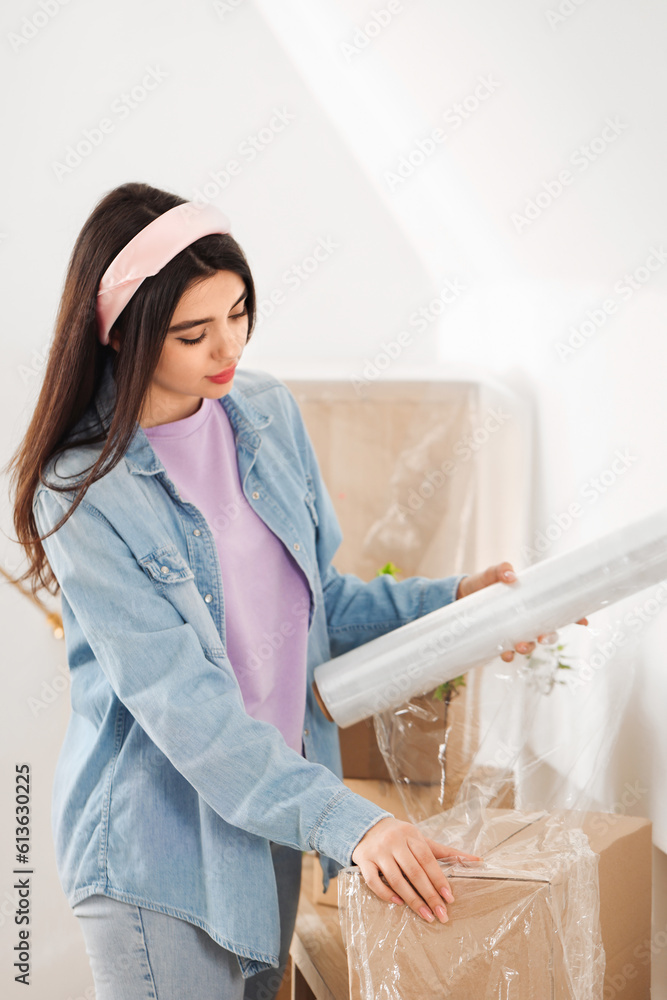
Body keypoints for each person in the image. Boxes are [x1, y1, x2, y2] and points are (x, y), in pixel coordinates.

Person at [6, 182, 587, 1000]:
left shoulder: (266, 415)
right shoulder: (81, 493)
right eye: (192, 332)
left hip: (270, 827)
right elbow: (186, 708)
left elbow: (320, 606)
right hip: (159, 853)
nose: (226, 348)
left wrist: (460, 604)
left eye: (239, 312)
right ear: (123, 334)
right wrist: (354, 822)